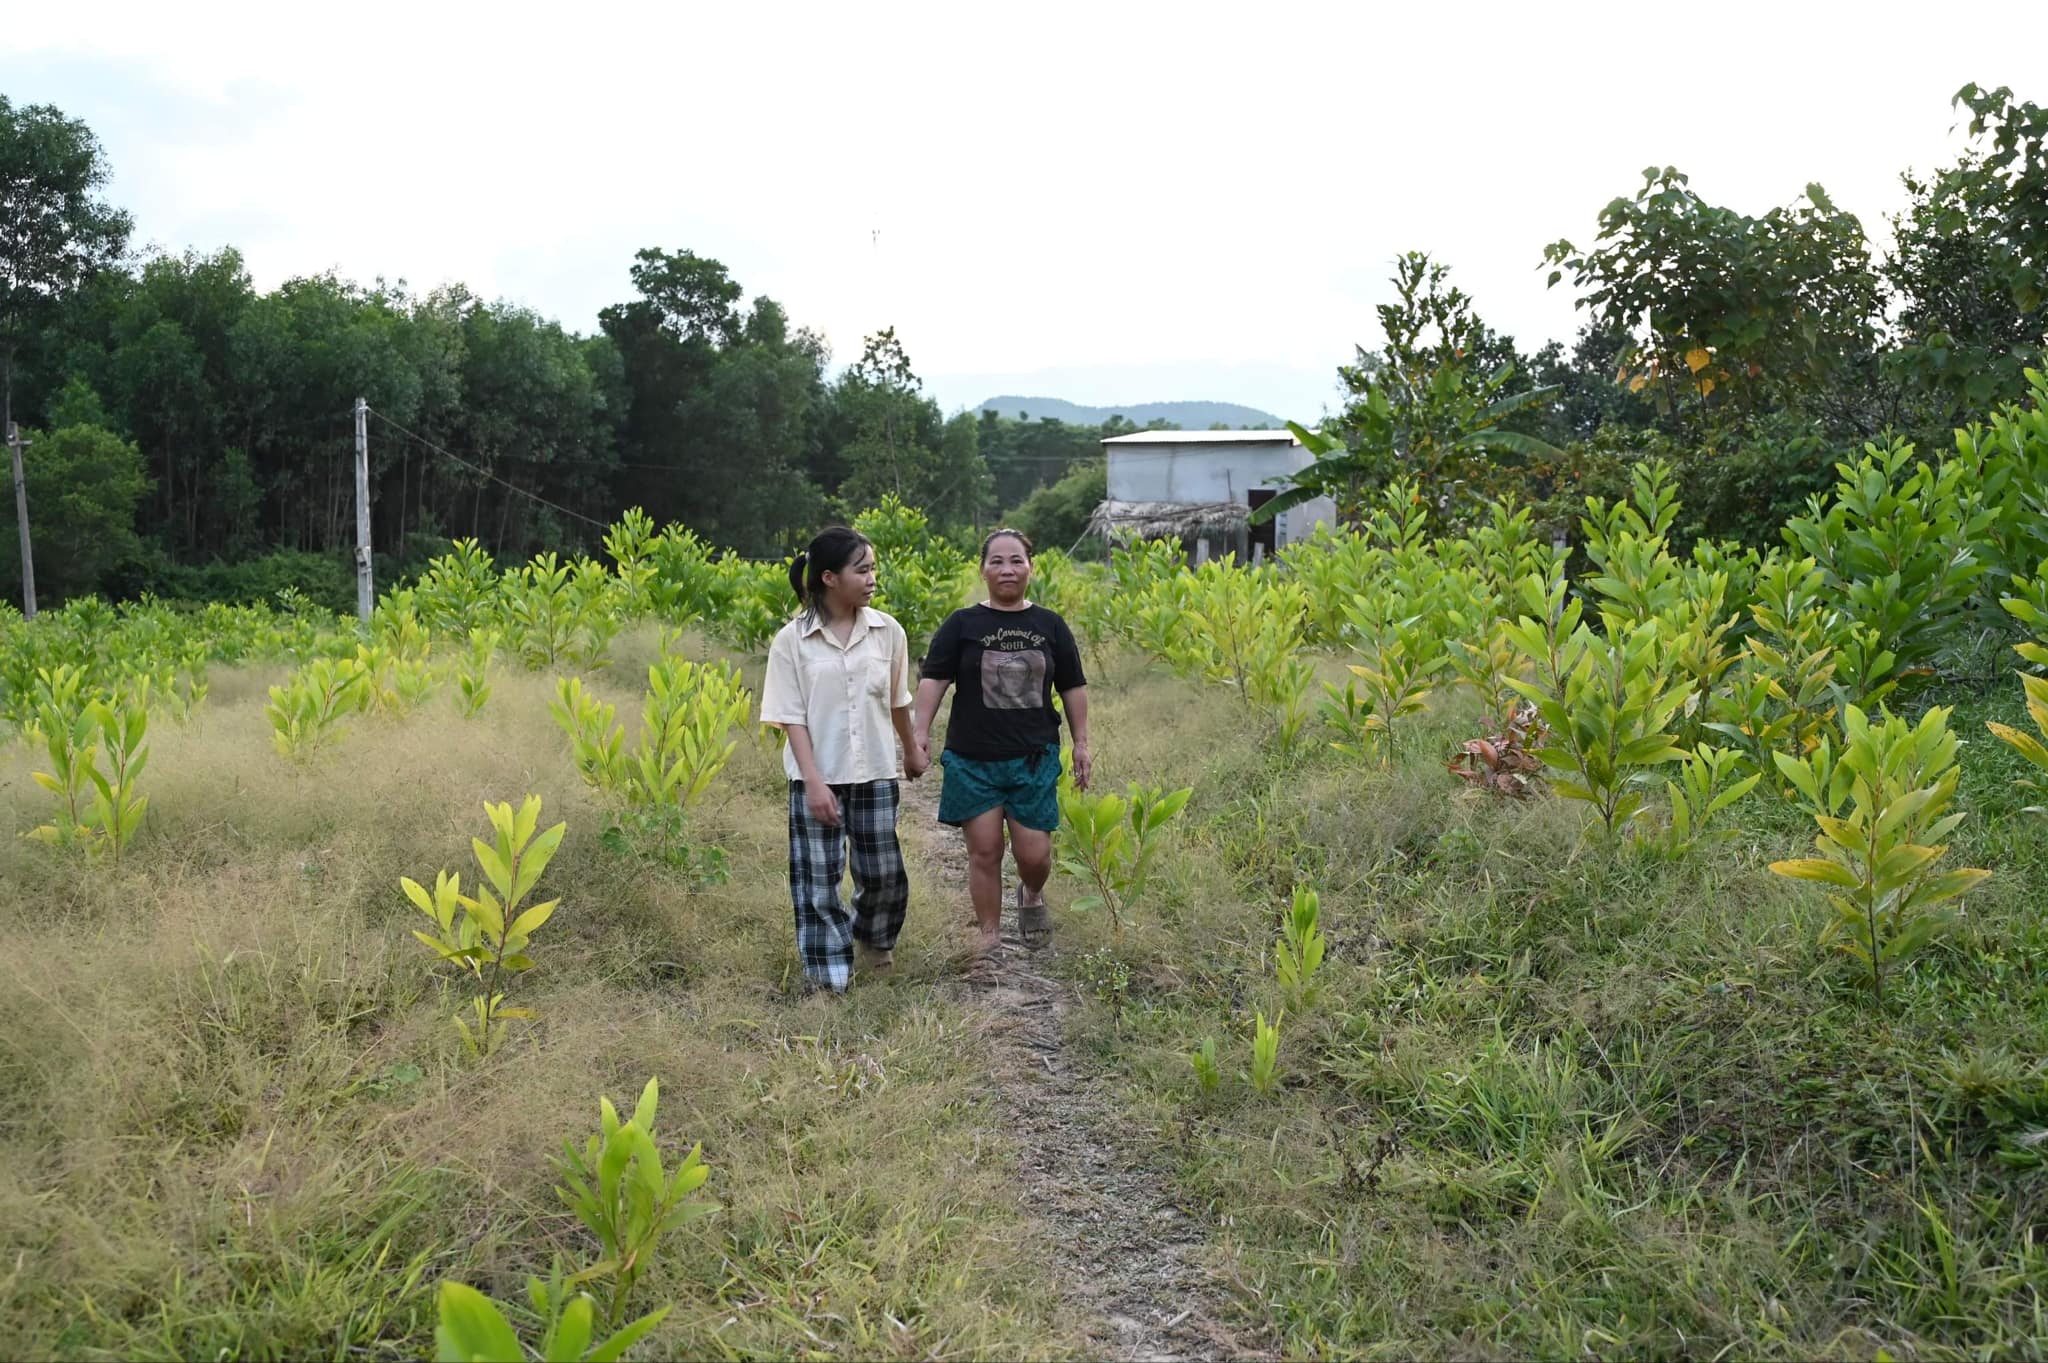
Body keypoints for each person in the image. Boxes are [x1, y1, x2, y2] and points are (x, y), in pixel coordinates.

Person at [759, 527, 928, 994]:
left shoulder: (887, 631)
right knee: (817, 879)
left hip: (874, 771)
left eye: (873, 567)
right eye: (863, 569)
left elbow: (897, 698)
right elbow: (790, 718)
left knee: (883, 872)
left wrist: (910, 747)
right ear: (829, 578)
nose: (873, 578)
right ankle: (827, 974)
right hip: (817, 775)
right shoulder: (792, 641)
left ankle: (875, 943)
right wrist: (813, 783)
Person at [912, 528, 1090, 957]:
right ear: (983, 569)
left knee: (1035, 855)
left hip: (1033, 757)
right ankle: (988, 937)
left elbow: (1073, 687)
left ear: (1030, 567)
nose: (1007, 569)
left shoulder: (1050, 625)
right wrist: (918, 734)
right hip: (973, 757)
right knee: (985, 851)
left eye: (1016, 561)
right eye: (997, 561)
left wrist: (1082, 743)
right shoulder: (962, 624)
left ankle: (1031, 893)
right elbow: (934, 679)